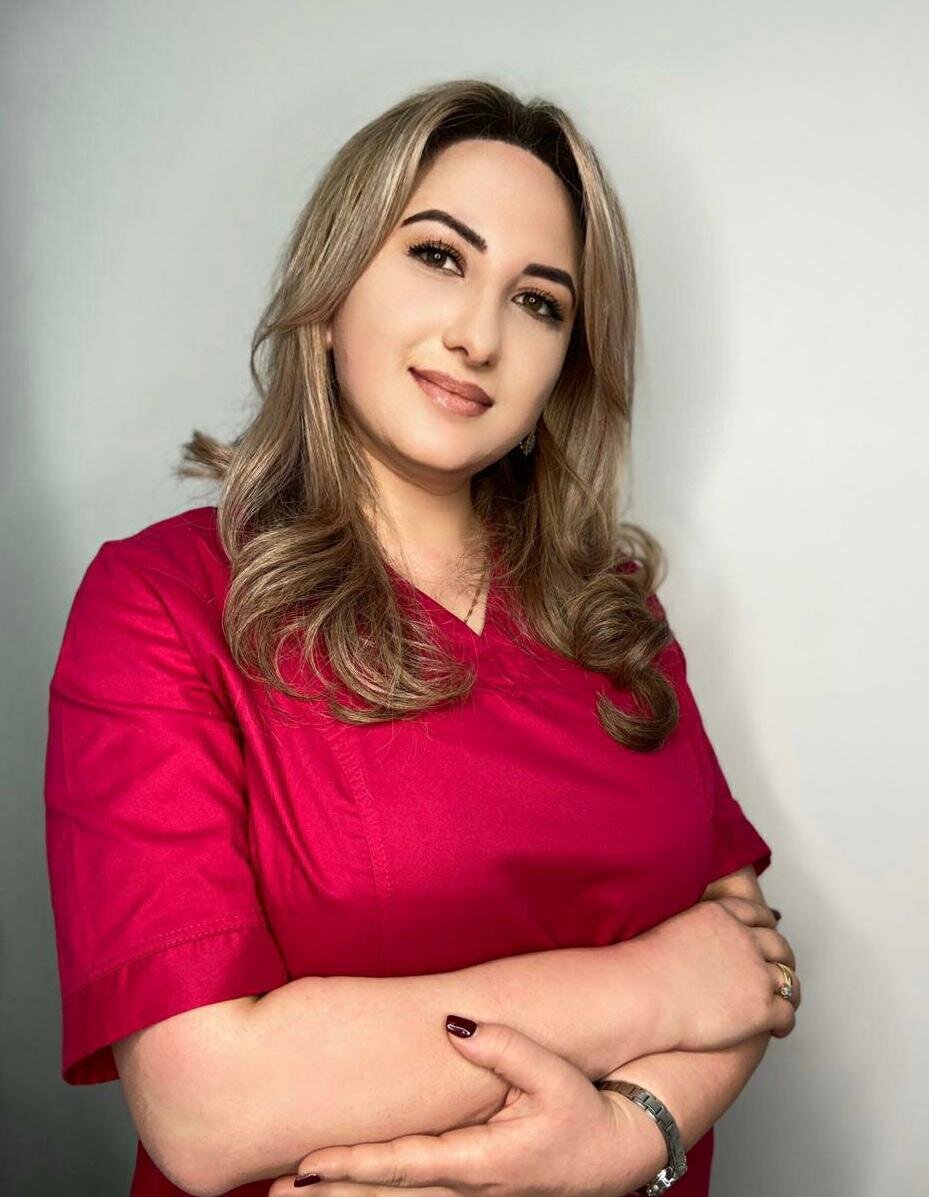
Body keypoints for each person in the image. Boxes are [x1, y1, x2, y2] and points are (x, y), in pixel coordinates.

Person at [44, 78, 800, 1197]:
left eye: (537, 301)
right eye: (439, 256)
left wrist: (628, 1136)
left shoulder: (609, 604)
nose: (477, 335)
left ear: (565, 365)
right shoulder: (160, 602)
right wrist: (652, 989)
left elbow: (745, 959)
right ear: (331, 286)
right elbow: (206, 1107)